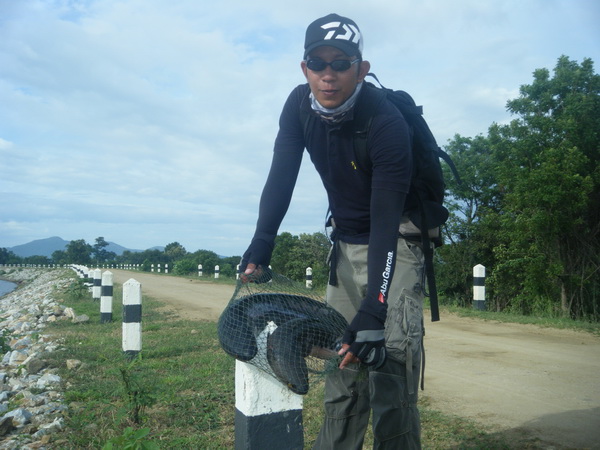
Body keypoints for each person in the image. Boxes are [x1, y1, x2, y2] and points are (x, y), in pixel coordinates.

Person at [240, 13, 425, 449]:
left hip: (395, 240)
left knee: (388, 366)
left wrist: (375, 309)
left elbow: (384, 220)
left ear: (360, 68)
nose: (328, 75)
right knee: (342, 365)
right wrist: (261, 243)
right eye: (317, 63)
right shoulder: (298, 105)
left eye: (340, 63)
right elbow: (281, 177)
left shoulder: (385, 121)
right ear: (303, 68)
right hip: (344, 242)